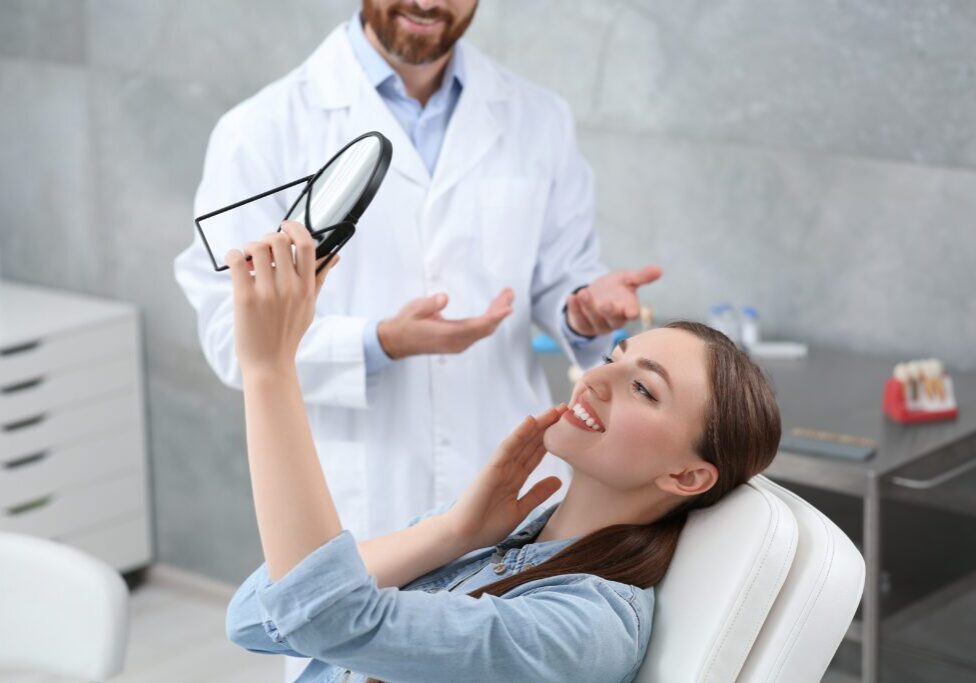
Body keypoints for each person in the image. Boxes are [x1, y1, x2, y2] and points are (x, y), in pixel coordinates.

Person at [173, 0, 662, 548]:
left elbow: (562, 273)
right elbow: (228, 332)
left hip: (508, 472)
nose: (429, 3)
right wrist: (378, 343)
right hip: (358, 490)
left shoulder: (538, 117)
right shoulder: (259, 130)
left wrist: (582, 306)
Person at [221, 225, 781, 682]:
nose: (595, 378)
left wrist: (270, 369)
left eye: (644, 389)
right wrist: (452, 533)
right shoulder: (491, 541)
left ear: (686, 475)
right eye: (614, 356)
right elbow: (252, 617)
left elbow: (322, 617)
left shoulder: (588, 627)